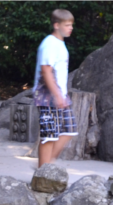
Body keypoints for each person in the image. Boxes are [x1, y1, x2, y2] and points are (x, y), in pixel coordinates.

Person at [32, 9, 77, 168]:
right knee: (49, 136)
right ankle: (43, 171)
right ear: (57, 25)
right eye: (67, 25)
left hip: (59, 96)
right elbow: (46, 71)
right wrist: (57, 95)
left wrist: (61, 96)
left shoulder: (60, 44)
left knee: (69, 130)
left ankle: (47, 165)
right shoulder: (50, 44)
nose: (70, 28)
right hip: (47, 97)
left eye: (71, 25)